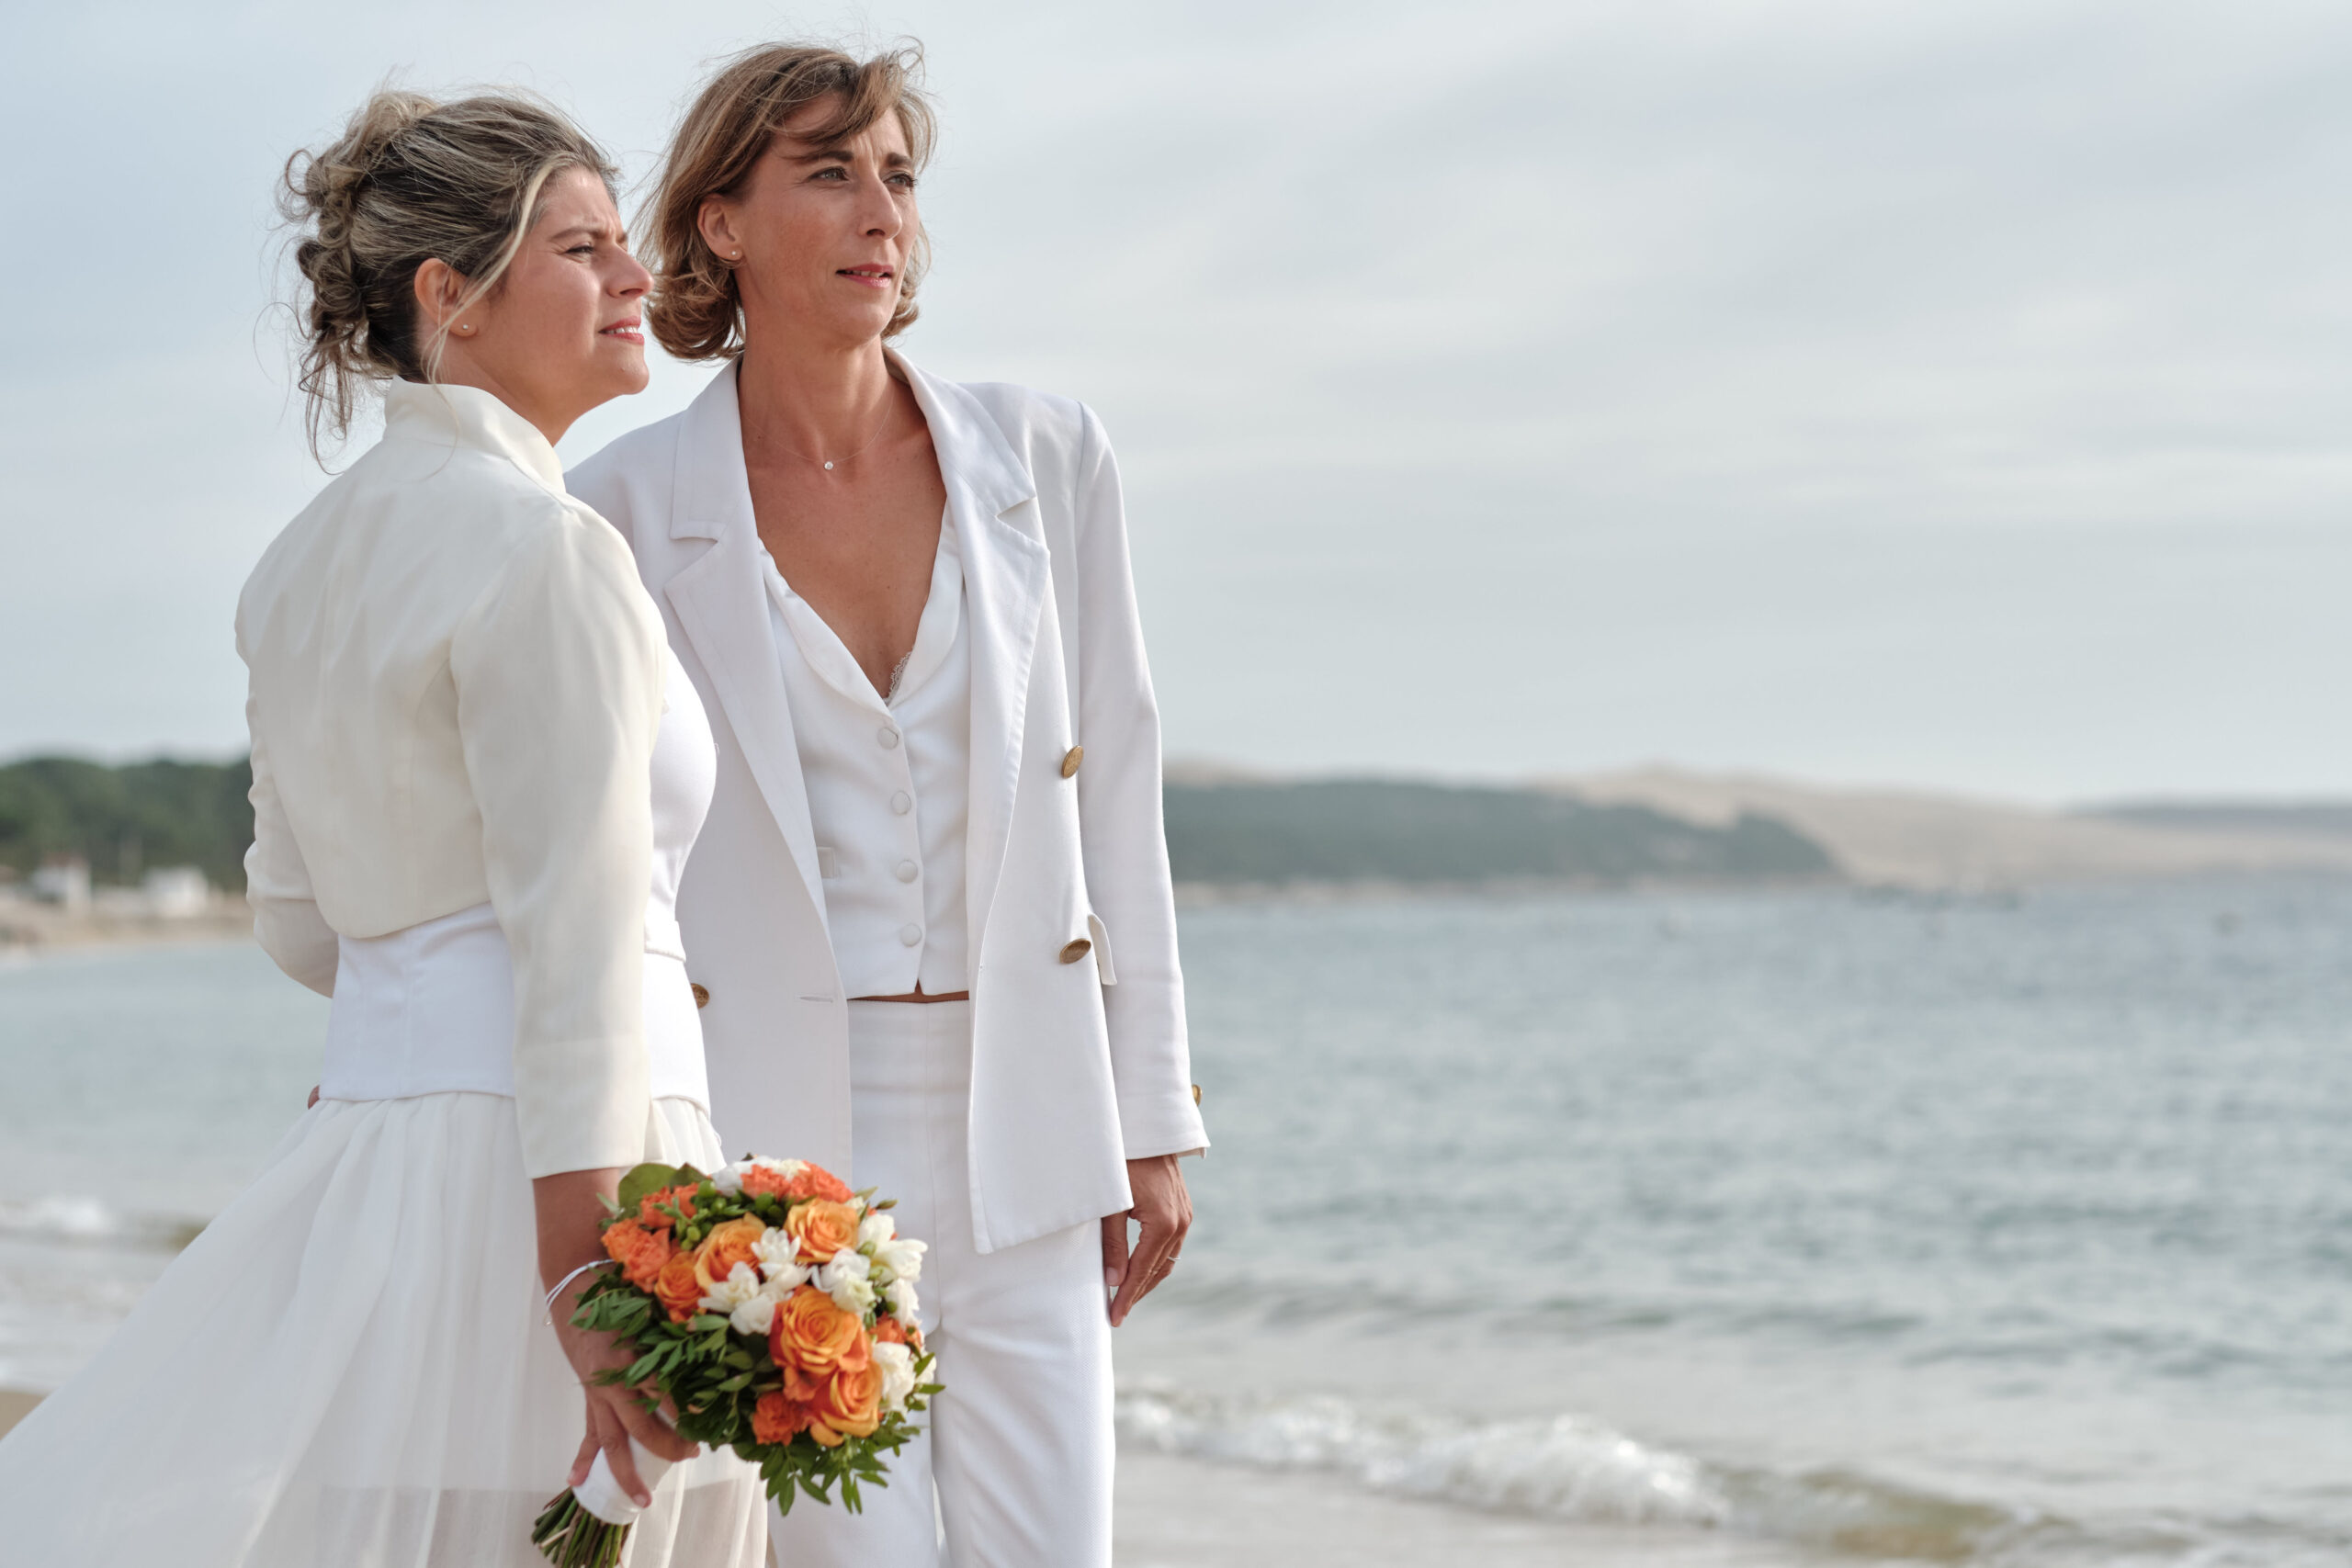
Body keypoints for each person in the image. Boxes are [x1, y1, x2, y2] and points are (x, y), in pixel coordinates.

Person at [0, 91, 765, 1566]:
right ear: (449, 294)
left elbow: (298, 921)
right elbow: (583, 943)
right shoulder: (552, 549)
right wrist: (590, 1287)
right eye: (583, 245)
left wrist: (420, 1007)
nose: (633, 277)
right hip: (574, 1184)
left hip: (374, 1174)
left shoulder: (293, 570)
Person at [569, 41, 1208, 1568]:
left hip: (1032, 1113)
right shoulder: (625, 510)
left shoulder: (1046, 458)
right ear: (721, 222)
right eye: (831, 172)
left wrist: (1156, 1111)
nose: (882, 214)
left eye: (900, 178)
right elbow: (612, 870)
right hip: (774, 1134)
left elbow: (1120, 774)